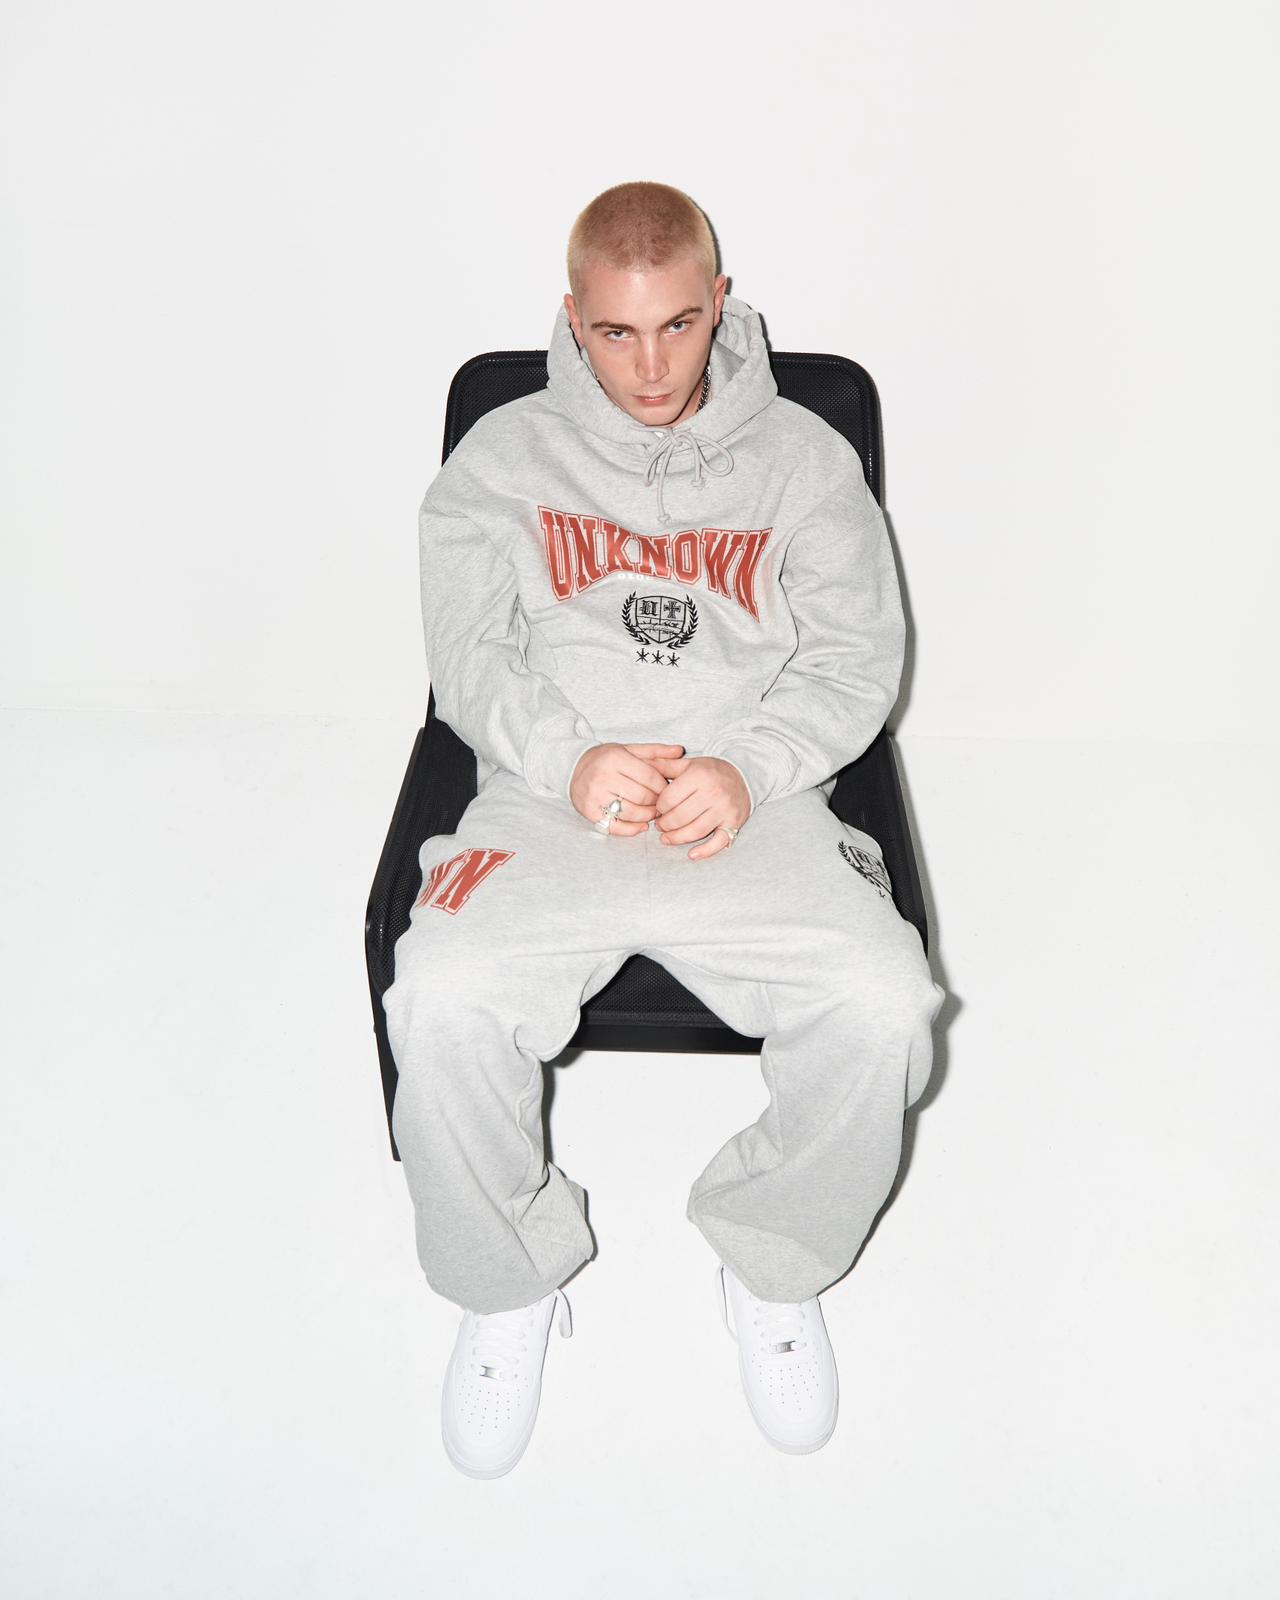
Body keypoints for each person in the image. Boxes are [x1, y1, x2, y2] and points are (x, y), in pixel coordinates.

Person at [382, 180, 945, 1479]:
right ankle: (506, 1284)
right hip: (549, 802)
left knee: (883, 1001)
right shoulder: (497, 464)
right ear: (573, 316)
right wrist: (567, 757)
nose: (651, 367)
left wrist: (751, 767)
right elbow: (467, 661)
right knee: (442, 996)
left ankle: (774, 1261)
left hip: (748, 806)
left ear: (721, 303)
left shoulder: (807, 461)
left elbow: (858, 660)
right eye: (618, 332)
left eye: (680, 326)